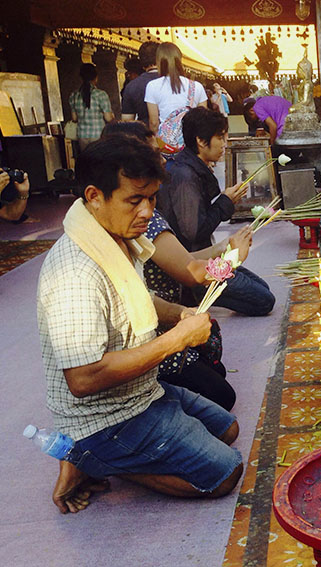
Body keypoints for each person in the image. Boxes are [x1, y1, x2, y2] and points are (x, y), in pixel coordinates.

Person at [36, 135, 243, 514]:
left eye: (151, 199)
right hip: (107, 415)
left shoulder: (114, 237)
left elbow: (139, 300)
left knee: (228, 430)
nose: (147, 212)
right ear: (95, 195)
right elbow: (82, 379)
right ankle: (90, 457)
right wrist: (178, 339)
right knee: (224, 473)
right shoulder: (76, 271)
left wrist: (179, 315)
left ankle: (116, 452)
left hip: (143, 391)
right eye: (135, 200)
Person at [100, 121, 252, 409]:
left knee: (217, 375)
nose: (162, 160)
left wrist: (224, 248)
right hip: (149, 338)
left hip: (168, 311)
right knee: (222, 398)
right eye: (152, 153)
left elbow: (186, 260)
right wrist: (233, 259)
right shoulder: (141, 218)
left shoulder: (144, 206)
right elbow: (192, 272)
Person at [157, 107, 275, 317]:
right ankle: (199, 293)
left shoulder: (193, 168)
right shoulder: (185, 177)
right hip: (194, 267)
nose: (224, 144)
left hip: (207, 258)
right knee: (264, 301)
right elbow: (193, 233)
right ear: (201, 141)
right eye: (220, 137)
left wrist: (225, 202)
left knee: (263, 289)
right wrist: (224, 202)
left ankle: (215, 291)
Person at [144, 42, 208, 153]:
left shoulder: (152, 86)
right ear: (180, 60)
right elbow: (204, 122)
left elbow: (154, 123)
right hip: (191, 148)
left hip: (166, 147)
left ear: (159, 61)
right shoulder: (196, 87)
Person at [69, 63, 113, 151]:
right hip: (98, 134)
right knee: (99, 162)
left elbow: (74, 118)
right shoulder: (101, 94)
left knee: (88, 162)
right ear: (96, 78)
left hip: (82, 135)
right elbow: (108, 118)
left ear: (81, 77)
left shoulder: (74, 95)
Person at [121, 41, 160, 123]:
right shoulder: (174, 82)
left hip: (144, 133)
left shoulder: (131, 86)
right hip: (172, 133)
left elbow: (127, 120)